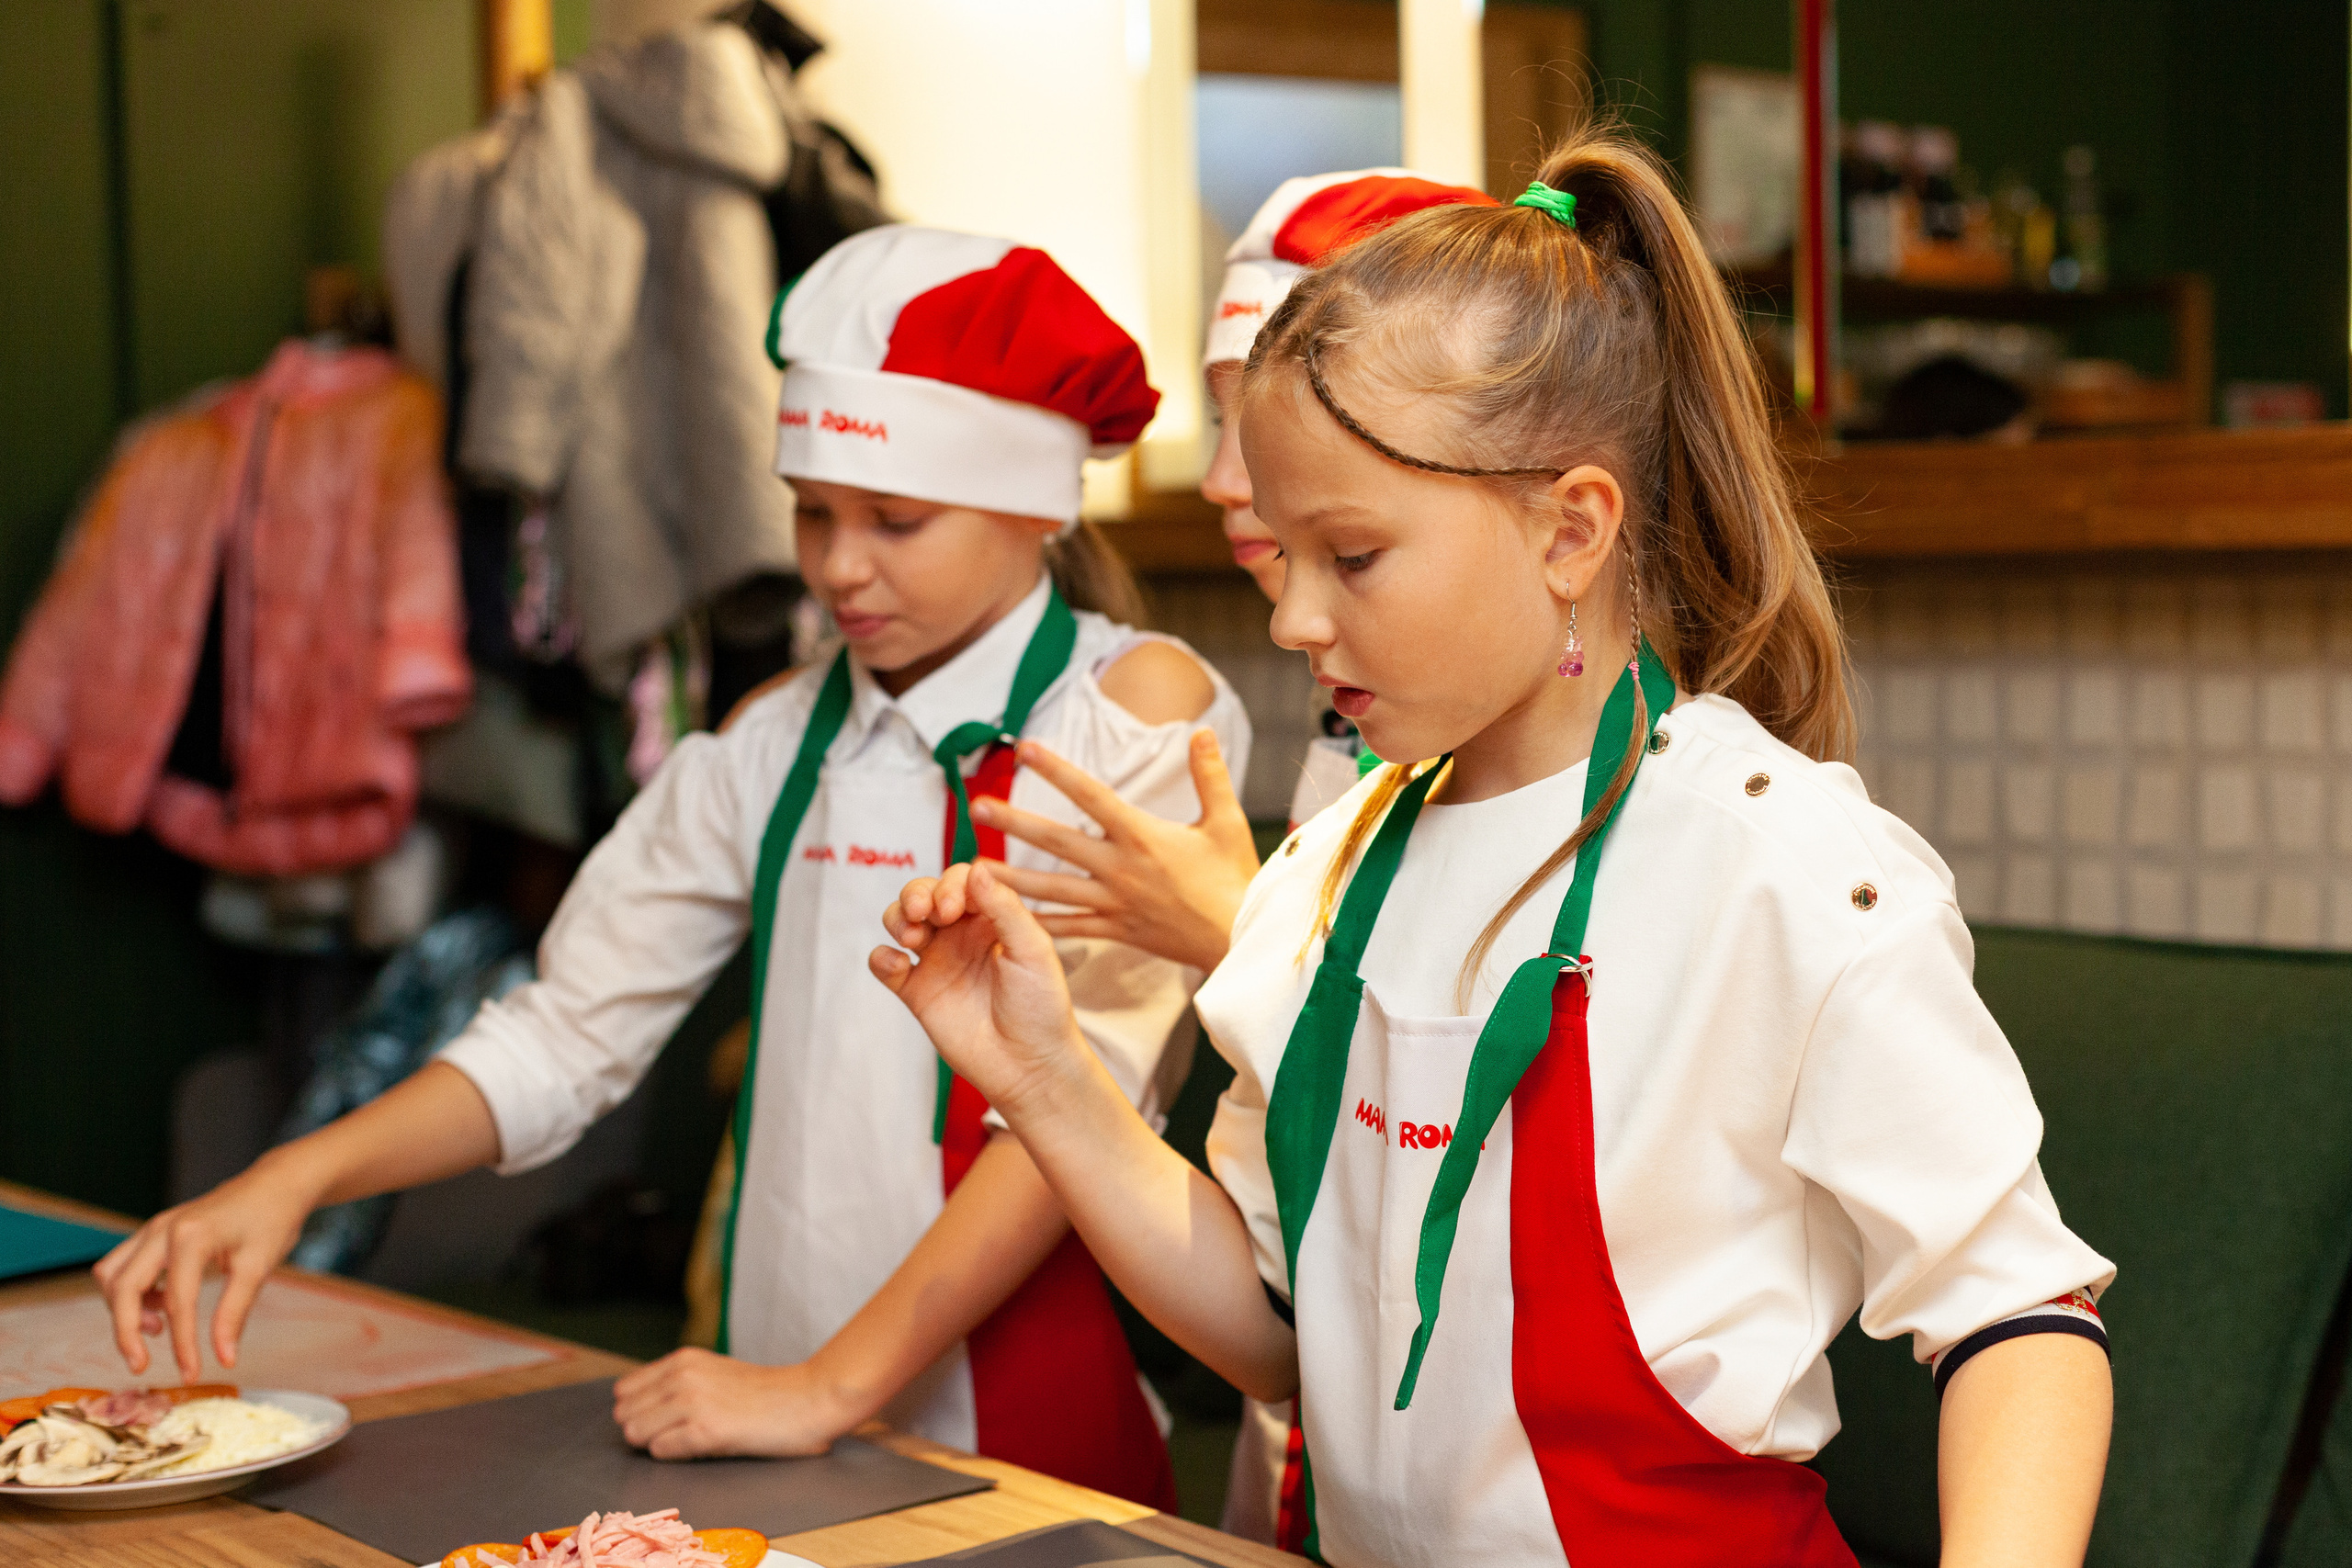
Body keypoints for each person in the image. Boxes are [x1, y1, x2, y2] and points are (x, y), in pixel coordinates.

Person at [872, 127, 2114, 1567]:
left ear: (1571, 531)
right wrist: (1047, 1076)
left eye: (1354, 556)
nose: (1293, 623)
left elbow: (2020, 1312)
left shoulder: (1781, 869)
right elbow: (1275, 1336)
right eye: (1279, 554)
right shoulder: (1330, 872)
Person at [93, 225, 1253, 1510]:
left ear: (1037, 504)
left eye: (896, 521)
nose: (838, 569)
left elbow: (1076, 1117)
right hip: (769, 1402)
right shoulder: (766, 742)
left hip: (1011, 1414)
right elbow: (563, 1037)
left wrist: (831, 1386)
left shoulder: (1130, 716)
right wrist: (291, 1175)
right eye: (812, 515)